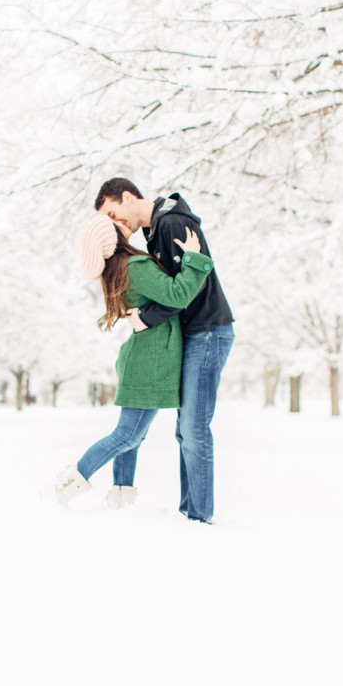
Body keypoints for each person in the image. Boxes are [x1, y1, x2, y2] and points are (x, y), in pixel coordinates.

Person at [94, 179, 234, 523]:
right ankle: (191, 512)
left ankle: (200, 517)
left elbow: (180, 292)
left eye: (114, 212)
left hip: (208, 331)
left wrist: (144, 317)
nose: (116, 223)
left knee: (194, 428)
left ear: (128, 197)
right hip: (197, 333)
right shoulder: (157, 228)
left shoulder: (170, 223)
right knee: (186, 429)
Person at [56, 212, 214, 508]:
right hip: (149, 362)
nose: (125, 225)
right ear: (113, 238)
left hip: (144, 357)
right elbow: (177, 295)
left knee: (132, 437)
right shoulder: (135, 266)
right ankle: (69, 481)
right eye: (117, 226)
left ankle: (120, 494)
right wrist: (194, 259)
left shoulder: (117, 269)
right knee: (126, 435)